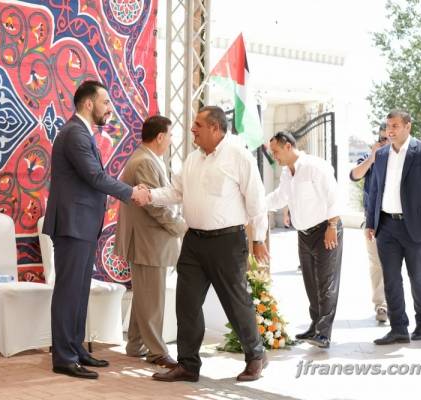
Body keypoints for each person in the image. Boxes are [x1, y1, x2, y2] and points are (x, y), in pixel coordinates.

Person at [149, 106, 269, 383]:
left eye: (198, 125)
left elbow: (256, 200)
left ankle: (255, 356)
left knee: (236, 303)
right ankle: (188, 365)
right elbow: (175, 192)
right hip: (193, 242)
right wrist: (149, 196)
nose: (192, 129)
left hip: (227, 242)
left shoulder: (238, 155)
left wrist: (259, 239)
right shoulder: (192, 159)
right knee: (186, 303)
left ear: (215, 128)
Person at [42, 80, 150, 379]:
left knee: (79, 291)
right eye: (105, 102)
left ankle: (75, 348)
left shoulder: (80, 132)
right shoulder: (75, 134)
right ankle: (64, 357)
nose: (108, 109)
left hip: (82, 224)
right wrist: (131, 192)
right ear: (89, 104)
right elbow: (95, 177)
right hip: (73, 224)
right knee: (69, 292)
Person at [114, 115, 186, 370]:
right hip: (147, 241)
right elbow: (154, 206)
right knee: (152, 300)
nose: (171, 140)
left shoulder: (146, 158)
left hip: (148, 241)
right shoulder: (145, 161)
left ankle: (136, 344)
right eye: (170, 135)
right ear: (160, 137)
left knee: (145, 297)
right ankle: (157, 352)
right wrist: (180, 227)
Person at [266, 131, 342, 349]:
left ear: (288, 146)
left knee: (326, 283)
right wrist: (256, 204)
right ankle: (315, 325)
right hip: (304, 234)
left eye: (276, 151)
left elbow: (334, 197)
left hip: (325, 230)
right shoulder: (286, 172)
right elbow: (280, 197)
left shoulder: (315, 166)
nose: (274, 156)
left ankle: (323, 334)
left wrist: (332, 226)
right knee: (310, 282)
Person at [366, 110, 421, 345]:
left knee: (418, 277)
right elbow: (375, 189)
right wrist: (371, 221)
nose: (390, 131)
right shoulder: (382, 154)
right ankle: (398, 328)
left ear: (408, 126)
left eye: (395, 126)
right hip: (386, 226)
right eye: (388, 126)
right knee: (391, 279)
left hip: (415, 226)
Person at [349, 123, 389, 322]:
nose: (384, 142)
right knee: (376, 264)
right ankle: (382, 305)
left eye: (388, 138)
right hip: (374, 220)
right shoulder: (370, 157)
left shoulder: (404, 157)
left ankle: (396, 305)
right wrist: (373, 157)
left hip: (399, 220)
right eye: (381, 139)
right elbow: (354, 175)